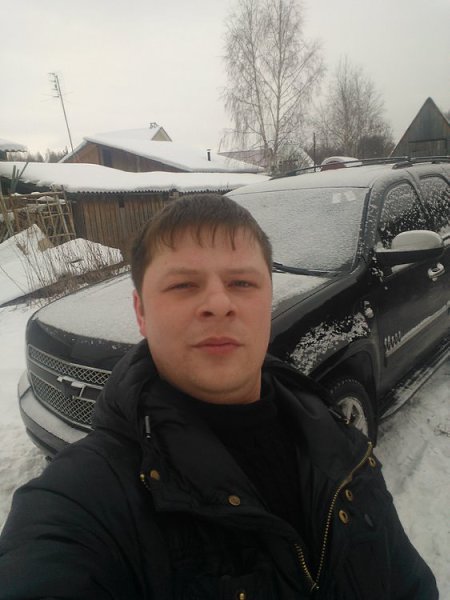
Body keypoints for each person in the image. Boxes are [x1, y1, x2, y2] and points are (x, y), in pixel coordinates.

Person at [0, 194, 438, 599]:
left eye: (242, 283)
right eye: (183, 285)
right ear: (141, 312)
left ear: (268, 300)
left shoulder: (337, 439)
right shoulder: (83, 502)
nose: (218, 303)